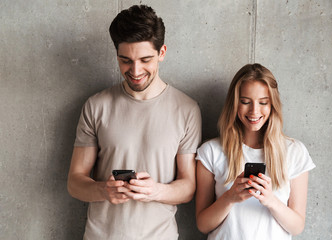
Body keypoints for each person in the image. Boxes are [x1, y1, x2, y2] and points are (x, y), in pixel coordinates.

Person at [67, 5, 202, 240]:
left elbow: (188, 186)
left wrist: (155, 191)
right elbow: (75, 182)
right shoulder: (96, 106)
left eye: (145, 59)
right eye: (125, 60)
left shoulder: (187, 109)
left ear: (162, 52)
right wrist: (103, 190)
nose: (136, 70)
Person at [195, 63, 315, 239]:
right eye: (245, 102)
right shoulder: (211, 152)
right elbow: (203, 225)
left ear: (272, 104)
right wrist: (229, 197)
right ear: (234, 104)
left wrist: (270, 200)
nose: (254, 111)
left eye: (263, 102)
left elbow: (297, 227)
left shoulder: (294, 152)